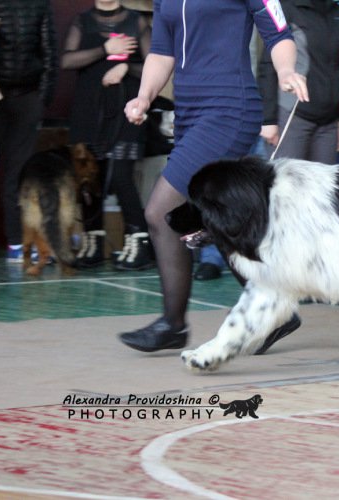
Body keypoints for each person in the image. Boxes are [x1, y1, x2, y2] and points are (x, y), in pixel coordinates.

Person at [118, 0, 308, 353]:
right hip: (188, 113)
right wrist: (143, 97)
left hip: (229, 108)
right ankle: (275, 308)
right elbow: (161, 53)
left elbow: (278, 32)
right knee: (215, 216)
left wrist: (285, 71)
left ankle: (173, 324)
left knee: (161, 213)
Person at [61, 0, 154, 270]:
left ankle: (139, 243)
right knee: (90, 178)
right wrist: (105, 49)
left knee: (122, 176)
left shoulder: (136, 21)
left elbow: (154, 66)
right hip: (89, 111)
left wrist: (126, 67)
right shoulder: (83, 20)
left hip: (125, 110)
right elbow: (66, 60)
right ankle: (93, 243)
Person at [0, 0, 57, 263]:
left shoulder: (40, 4)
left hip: (26, 97)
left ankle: (18, 243)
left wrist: (40, 101)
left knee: (19, 175)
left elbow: (49, 54)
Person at [258, 0, 339, 164]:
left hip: (329, 122)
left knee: (323, 188)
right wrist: (268, 120)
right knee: (286, 185)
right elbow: (268, 65)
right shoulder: (286, 8)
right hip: (293, 115)